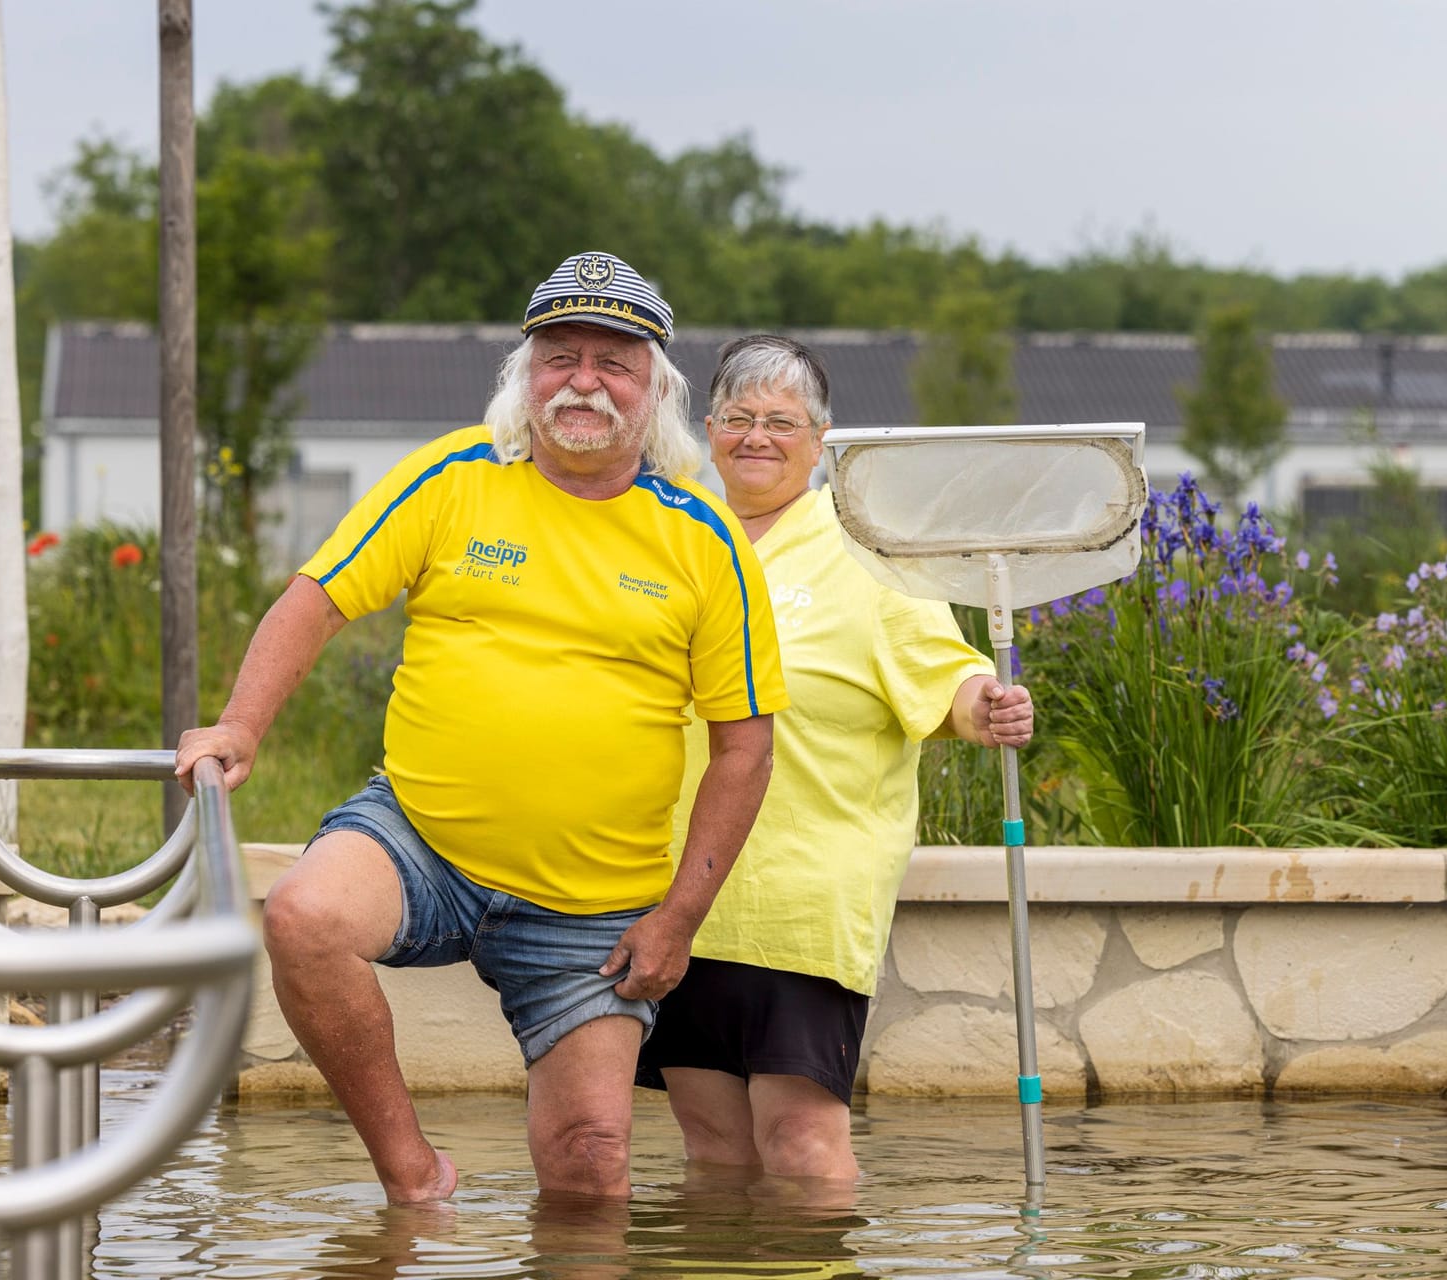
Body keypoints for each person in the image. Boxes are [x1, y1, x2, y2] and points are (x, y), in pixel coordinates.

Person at [175, 252, 787, 1204]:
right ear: (525, 372)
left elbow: (744, 748)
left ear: (656, 390)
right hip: (423, 836)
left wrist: (678, 919)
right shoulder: (451, 478)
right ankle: (413, 1179)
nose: (583, 381)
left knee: (591, 1165)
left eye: (613, 362)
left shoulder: (705, 540)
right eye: (560, 356)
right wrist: (240, 727)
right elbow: (317, 600)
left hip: (593, 902)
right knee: (303, 918)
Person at [635, 334, 1033, 1180]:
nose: (757, 437)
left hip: (803, 899)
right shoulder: (671, 538)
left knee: (803, 1145)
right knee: (711, 1148)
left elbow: (946, 673)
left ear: (821, 442)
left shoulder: (866, 552)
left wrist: (984, 704)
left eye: (783, 421)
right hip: (678, 895)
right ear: (708, 429)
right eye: (739, 418)